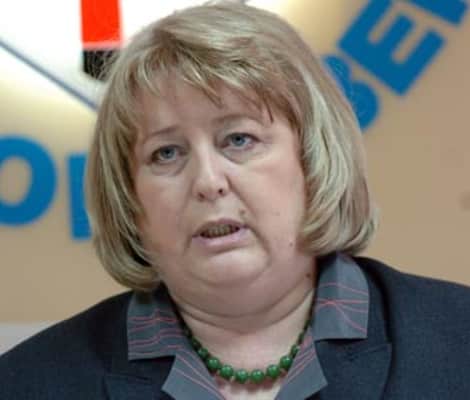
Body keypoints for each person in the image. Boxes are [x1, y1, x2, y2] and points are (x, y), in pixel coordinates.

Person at [1, 2, 470, 399]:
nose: (208, 181)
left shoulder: (458, 341)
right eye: (166, 153)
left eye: (239, 139)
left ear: (312, 158)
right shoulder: (26, 383)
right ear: (130, 198)